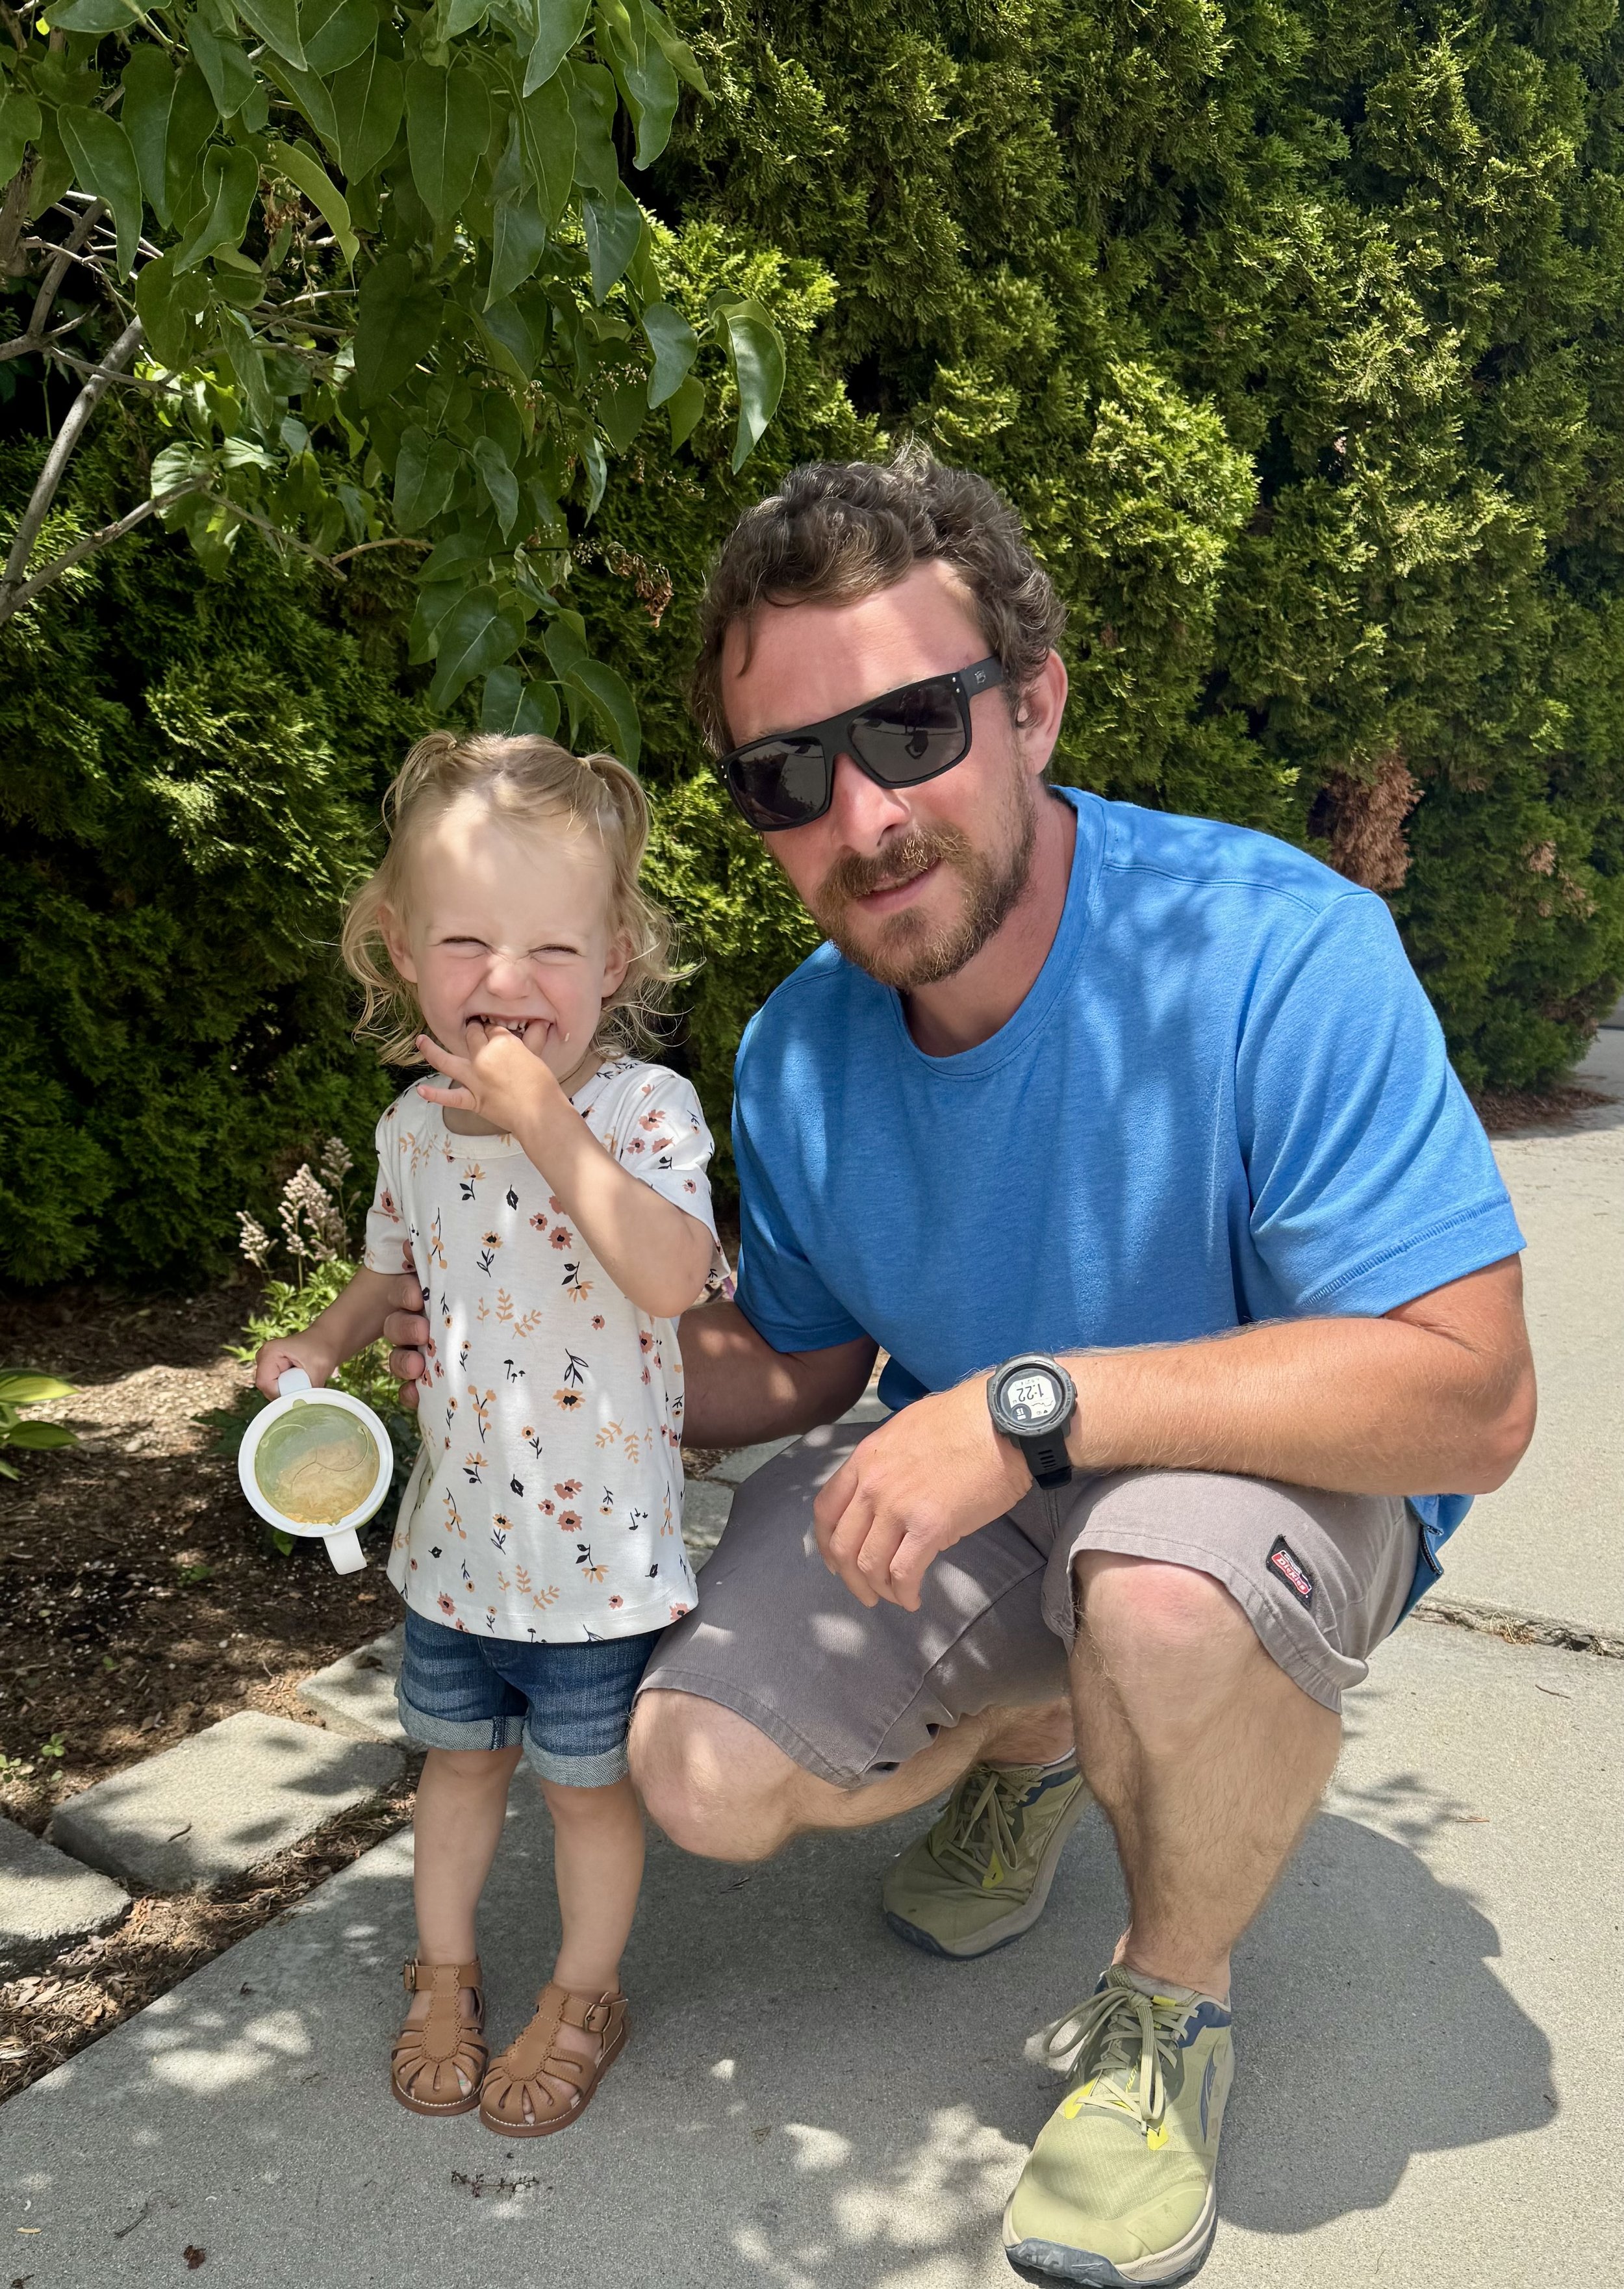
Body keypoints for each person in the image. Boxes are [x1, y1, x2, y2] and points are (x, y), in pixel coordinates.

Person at [383, 452, 1536, 2285]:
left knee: (1151, 1591)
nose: (861, 811)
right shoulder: (802, 1048)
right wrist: (546, 1363)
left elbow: (1470, 1394)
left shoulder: (1274, 953)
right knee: (690, 1770)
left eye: (912, 726)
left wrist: (1028, 1408)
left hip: (1249, 1504)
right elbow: (799, 1355)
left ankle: (1169, 2005)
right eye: (788, 773)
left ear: (1033, 703)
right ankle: (1041, 1735)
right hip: (998, 1502)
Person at [256, 731, 726, 2140]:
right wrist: (324, 1343)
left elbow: (668, 1274)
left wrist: (542, 1128)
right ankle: (443, 1972)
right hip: (456, 1551)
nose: (508, 985)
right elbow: (390, 1270)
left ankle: (585, 1994)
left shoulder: (641, 1111)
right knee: (454, 1768)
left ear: (617, 957)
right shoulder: (409, 1128)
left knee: (587, 1797)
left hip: (599, 1572)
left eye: (551, 952)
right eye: (465, 943)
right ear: (398, 953)